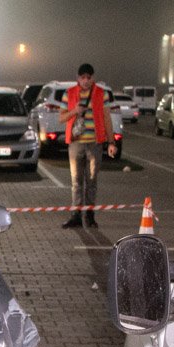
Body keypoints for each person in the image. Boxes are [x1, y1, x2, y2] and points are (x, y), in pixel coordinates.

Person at [59, 63, 117, 228]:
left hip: (95, 144)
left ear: (93, 78)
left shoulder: (101, 93)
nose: (85, 80)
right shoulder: (69, 94)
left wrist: (111, 142)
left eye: (88, 77)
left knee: (91, 181)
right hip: (76, 143)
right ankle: (76, 215)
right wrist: (74, 111)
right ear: (78, 78)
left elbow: (106, 118)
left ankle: (90, 216)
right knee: (76, 181)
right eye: (82, 77)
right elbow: (61, 118)